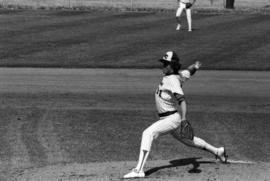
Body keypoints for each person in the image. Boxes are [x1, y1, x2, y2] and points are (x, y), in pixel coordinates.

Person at [123, 51, 228, 179]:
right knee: (190, 141)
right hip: (170, 119)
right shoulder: (178, 75)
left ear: (172, 66)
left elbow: (182, 101)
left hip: (171, 119)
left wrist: (184, 119)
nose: (163, 66)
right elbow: (188, 72)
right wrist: (195, 66)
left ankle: (138, 170)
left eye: (165, 64)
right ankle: (218, 151)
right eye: (163, 63)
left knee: (147, 133)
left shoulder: (173, 80)